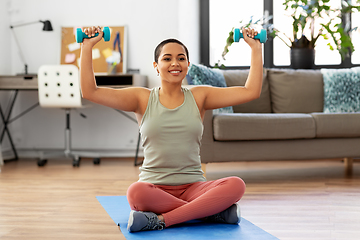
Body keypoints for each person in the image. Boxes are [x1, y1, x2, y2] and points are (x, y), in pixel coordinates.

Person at [80, 26, 263, 232]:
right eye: (167, 58)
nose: (175, 63)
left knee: (236, 184)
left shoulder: (200, 96)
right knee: (135, 193)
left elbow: (251, 91)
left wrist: (256, 48)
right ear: (156, 66)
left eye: (181, 58)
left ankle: (160, 221)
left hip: (194, 187)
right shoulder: (141, 98)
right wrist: (87, 47)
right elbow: (90, 91)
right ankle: (210, 213)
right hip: (154, 188)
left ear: (187, 65)